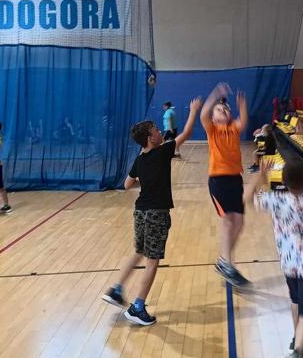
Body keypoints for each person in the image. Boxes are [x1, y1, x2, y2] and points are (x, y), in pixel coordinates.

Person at [102, 97, 202, 325]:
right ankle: (137, 307)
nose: (159, 131)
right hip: (157, 212)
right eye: (156, 129)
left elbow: (127, 184)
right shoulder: (164, 151)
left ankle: (116, 289)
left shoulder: (140, 159)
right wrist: (194, 110)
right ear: (150, 138)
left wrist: (145, 183)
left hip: (140, 211)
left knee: (139, 251)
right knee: (152, 260)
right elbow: (186, 133)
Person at [244, 139, 303, 358]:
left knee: (295, 300)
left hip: (289, 263)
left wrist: (260, 176)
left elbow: (247, 198)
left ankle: (296, 339)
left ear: (284, 181)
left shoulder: (276, 201)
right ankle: (298, 353)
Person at [200, 84, 250, 287]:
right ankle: (227, 264)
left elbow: (243, 121)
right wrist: (215, 95)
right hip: (218, 181)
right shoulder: (212, 130)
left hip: (235, 180)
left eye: (226, 109)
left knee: (239, 223)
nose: (223, 110)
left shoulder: (233, 129)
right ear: (213, 118)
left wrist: (242, 105)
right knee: (228, 222)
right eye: (219, 110)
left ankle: (223, 260)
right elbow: (203, 113)